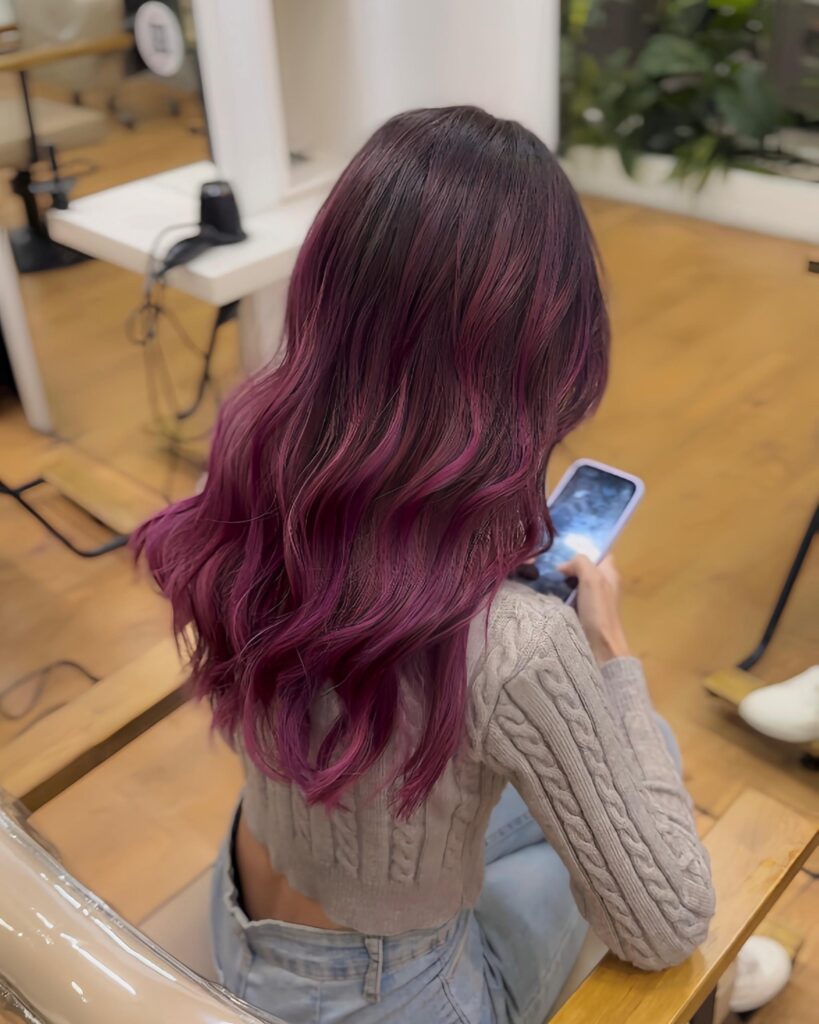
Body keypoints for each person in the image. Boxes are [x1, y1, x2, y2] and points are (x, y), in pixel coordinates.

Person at [134, 106, 715, 1024]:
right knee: (647, 762)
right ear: (540, 361)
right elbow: (667, 926)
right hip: (394, 995)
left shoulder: (245, 476)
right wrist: (608, 651)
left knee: (575, 777)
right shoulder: (519, 645)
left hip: (242, 907)